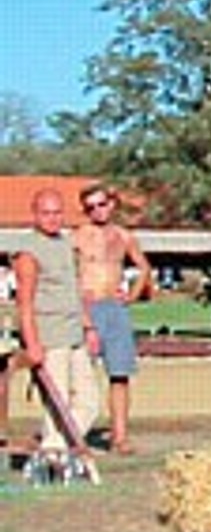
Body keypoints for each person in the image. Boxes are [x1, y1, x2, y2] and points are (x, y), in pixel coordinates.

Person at [13, 188, 101, 472]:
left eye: (57, 213)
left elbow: (76, 291)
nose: (52, 219)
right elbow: (24, 303)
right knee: (57, 400)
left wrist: (88, 327)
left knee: (89, 401)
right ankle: (54, 459)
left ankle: (55, 448)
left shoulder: (66, 244)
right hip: (49, 335)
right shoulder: (28, 252)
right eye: (46, 213)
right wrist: (33, 343)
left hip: (74, 331)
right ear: (35, 214)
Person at [72, 181, 154, 455]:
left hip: (115, 308)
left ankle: (119, 437)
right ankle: (74, 436)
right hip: (87, 306)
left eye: (101, 204)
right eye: (90, 207)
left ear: (112, 204)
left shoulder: (124, 237)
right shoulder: (78, 237)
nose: (97, 211)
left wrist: (131, 295)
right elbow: (68, 274)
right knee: (80, 375)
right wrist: (81, 310)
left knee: (120, 375)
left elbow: (143, 267)